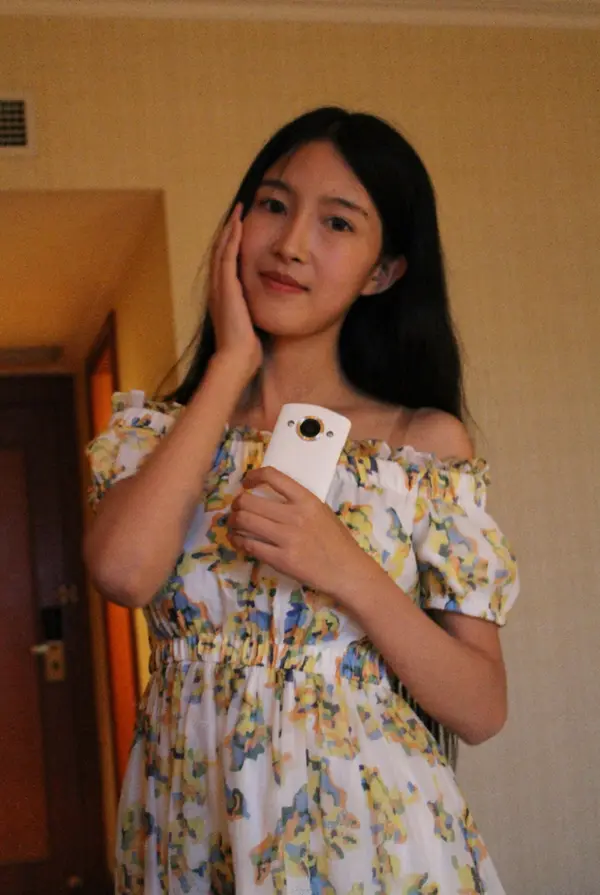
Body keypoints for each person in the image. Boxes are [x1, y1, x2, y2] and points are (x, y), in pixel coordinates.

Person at [85, 107, 519, 895]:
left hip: (370, 845)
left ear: (383, 271)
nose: (290, 244)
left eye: (337, 222)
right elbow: (122, 571)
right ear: (236, 226)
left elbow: (482, 707)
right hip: (191, 833)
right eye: (274, 206)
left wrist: (344, 566)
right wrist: (230, 364)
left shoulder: (420, 444)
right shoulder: (157, 436)